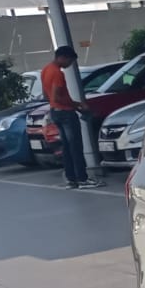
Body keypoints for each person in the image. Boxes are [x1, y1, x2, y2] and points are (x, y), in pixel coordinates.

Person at [41, 45, 103, 189]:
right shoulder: (57, 73)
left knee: (67, 147)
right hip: (65, 113)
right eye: (70, 61)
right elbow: (57, 96)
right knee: (76, 146)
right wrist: (78, 105)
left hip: (55, 112)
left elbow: (48, 95)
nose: (70, 65)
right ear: (63, 57)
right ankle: (82, 178)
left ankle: (71, 179)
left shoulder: (45, 70)